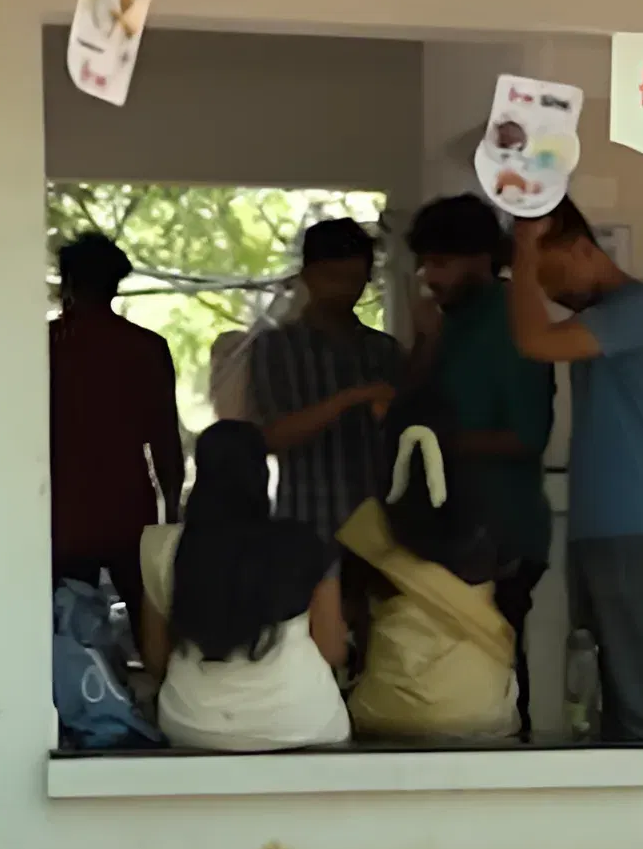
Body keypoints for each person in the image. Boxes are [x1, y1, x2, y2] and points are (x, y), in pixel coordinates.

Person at [508, 200, 643, 849]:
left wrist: (524, 248)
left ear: (583, 249)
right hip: (606, 526)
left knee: (640, 701)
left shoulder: (639, 310)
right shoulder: (611, 318)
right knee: (609, 704)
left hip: (633, 526)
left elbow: (533, 341)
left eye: (552, 273)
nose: (549, 292)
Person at [408, 197, 555, 728]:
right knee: (446, 684)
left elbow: (527, 435)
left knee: (495, 678)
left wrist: (438, 446)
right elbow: (411, 407)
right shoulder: (450, 324)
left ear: (480, 258)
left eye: (441, 263)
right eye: (425, 264)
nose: (430, 277)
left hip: (500, 532)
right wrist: (424, 342)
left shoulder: (511, 319)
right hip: (446, 533)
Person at [136, 422, 352, 752]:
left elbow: (155, 660)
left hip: (192, 723)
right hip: (302, 723)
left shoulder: (160, 547)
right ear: (260, 474)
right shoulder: (306, 545)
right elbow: (332, 650)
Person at [338, 424, 521, 742]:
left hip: (388, 709)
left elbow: (348, 619)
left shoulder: (370, 533)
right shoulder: (491, 535)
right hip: (482, 710)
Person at [48, 232, 184, 634]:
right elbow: (165, 441)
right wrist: (171, 518)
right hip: (128, 512)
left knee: (64, 632)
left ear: (67, 283)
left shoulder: (46, 346)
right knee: (150, 626)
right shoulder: (146, 348)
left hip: (60, 514)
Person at [245, 218, 408, 543]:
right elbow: (272, 437)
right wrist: (351, 398)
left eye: (354, 279)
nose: (344, 290)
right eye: (332, 278)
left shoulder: (384, 350)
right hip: (306, 526)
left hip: (380, 531)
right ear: (307, 276)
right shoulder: (276, 347)